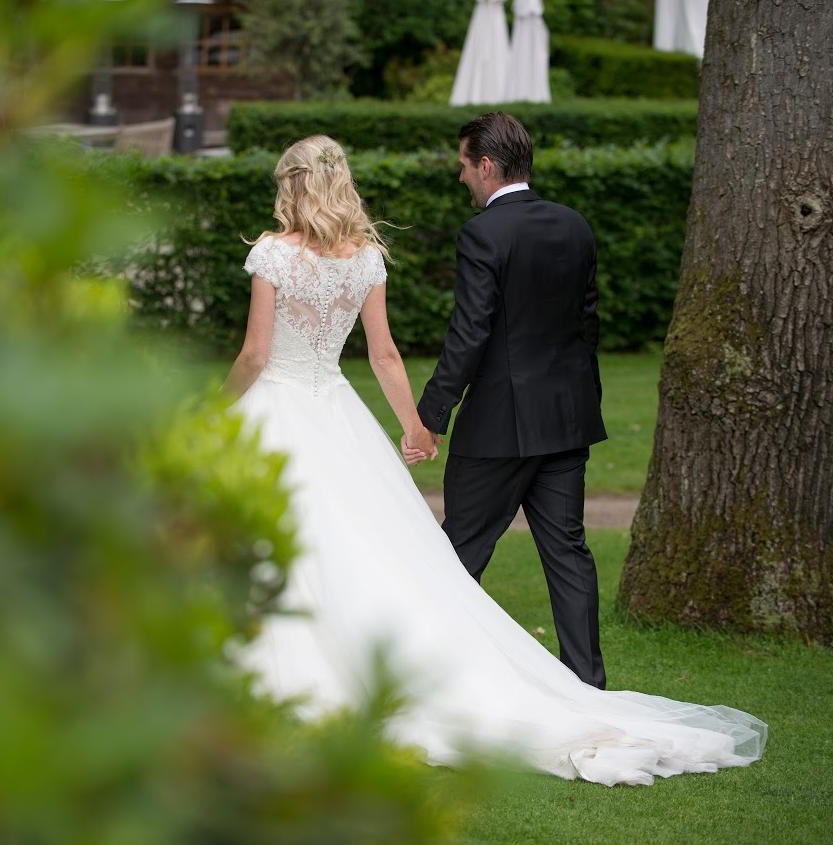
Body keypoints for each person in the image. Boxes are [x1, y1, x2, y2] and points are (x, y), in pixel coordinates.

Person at [225, 132, 766, 787]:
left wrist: (214, 408)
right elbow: (385, 354)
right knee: (365, 541)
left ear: (293, 184)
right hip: (346, 410)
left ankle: (273, 671)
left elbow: (256, 355)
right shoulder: (366, 257)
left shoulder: (273, 255)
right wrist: (414, 426)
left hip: (283, 405)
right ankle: (554, 677)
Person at [406, 112, 607, 690]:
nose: (461, 176)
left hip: (498, 430)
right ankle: (588, 686)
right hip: (567, 422)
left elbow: (469, 334)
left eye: (464, 165)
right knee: (568, 554)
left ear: (487, 166)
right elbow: (586, 325)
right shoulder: (575, 225)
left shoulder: (484, 234)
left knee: (457, 552)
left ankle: (422, 683)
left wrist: (430, 416)